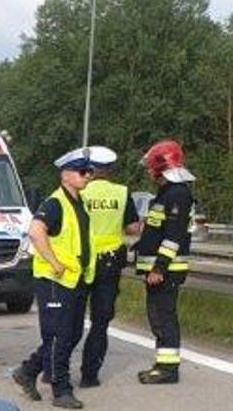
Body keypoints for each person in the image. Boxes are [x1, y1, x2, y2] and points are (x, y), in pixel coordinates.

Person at [13, 149, 98, 409]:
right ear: (66, 175)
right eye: (83, 172)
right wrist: (54, 262)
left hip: (75, 280)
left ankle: (27, 371)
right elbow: (36, 232)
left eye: (90, 172)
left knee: (71, 335)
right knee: (59, 336)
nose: (88, 176)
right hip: (55, 280)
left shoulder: (78, 203)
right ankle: (61, 389)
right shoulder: (54, 203)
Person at [75, 146, 140, 387]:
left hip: (81, 262)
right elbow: (133, 228)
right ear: (111, 169)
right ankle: (89, 376)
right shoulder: (121, 193)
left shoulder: (79, 191)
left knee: (71, 319)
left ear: (89, 169)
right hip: (110, 263)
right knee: (100, 322)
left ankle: (52, 370)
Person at [135, 139, 196, 385]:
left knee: (164, 316)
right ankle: (163, 364)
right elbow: (160, 230)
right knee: (158, 315)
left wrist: (159, 267)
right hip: (161, 268)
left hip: (167, 270)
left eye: (151, 167)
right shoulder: (169, 193)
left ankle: (168, 369)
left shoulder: (178, 194)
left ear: (161, 167)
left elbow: (174, 236)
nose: (149, 171)